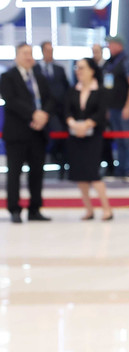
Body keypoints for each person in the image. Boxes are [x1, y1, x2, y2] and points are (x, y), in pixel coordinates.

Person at [1, 42, 55, 222]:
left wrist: (44, 115)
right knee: (14, 173)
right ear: (16, 56)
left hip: (38, 133)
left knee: (37, 172)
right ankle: (14, 209)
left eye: (31, 53)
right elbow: (12, 100)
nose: (28, 57)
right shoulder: (8, 77)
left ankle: (35, 209)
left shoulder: (40, 77)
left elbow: (49, 99)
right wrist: (34, 114)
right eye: (25, 53)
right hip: (17, 133)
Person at [65, 57, 113, 221]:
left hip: (93, 137)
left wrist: (86, 125)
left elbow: (101, 113)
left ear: (92, 70)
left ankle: (107, 209)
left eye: (82, 68)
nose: (79, 71)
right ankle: (89, 209)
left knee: (93, 173)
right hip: (75, 137)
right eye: (77, 68)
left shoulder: (100, 90)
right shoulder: (73, 90)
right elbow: (67, 110)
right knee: (80, 174)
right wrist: (73, 124)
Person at [101, 35, 129, 181]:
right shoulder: (109, 63)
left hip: (125, 107)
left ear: (118, 45)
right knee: (119, 141)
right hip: (113, 108)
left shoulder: (127, 61)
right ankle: (122, 169)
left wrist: (128, 106)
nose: (108, 47)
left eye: (110, 44)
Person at [37, 41, 70, 178]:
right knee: (40, 141)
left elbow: (67, 89)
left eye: (51, 50)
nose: (49, 53)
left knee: (60, 138)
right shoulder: (35, 69)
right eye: (47, 50)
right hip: (41, 112)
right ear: (42, 51)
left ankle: (61, 167)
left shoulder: (59, 69)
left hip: (58, 112)